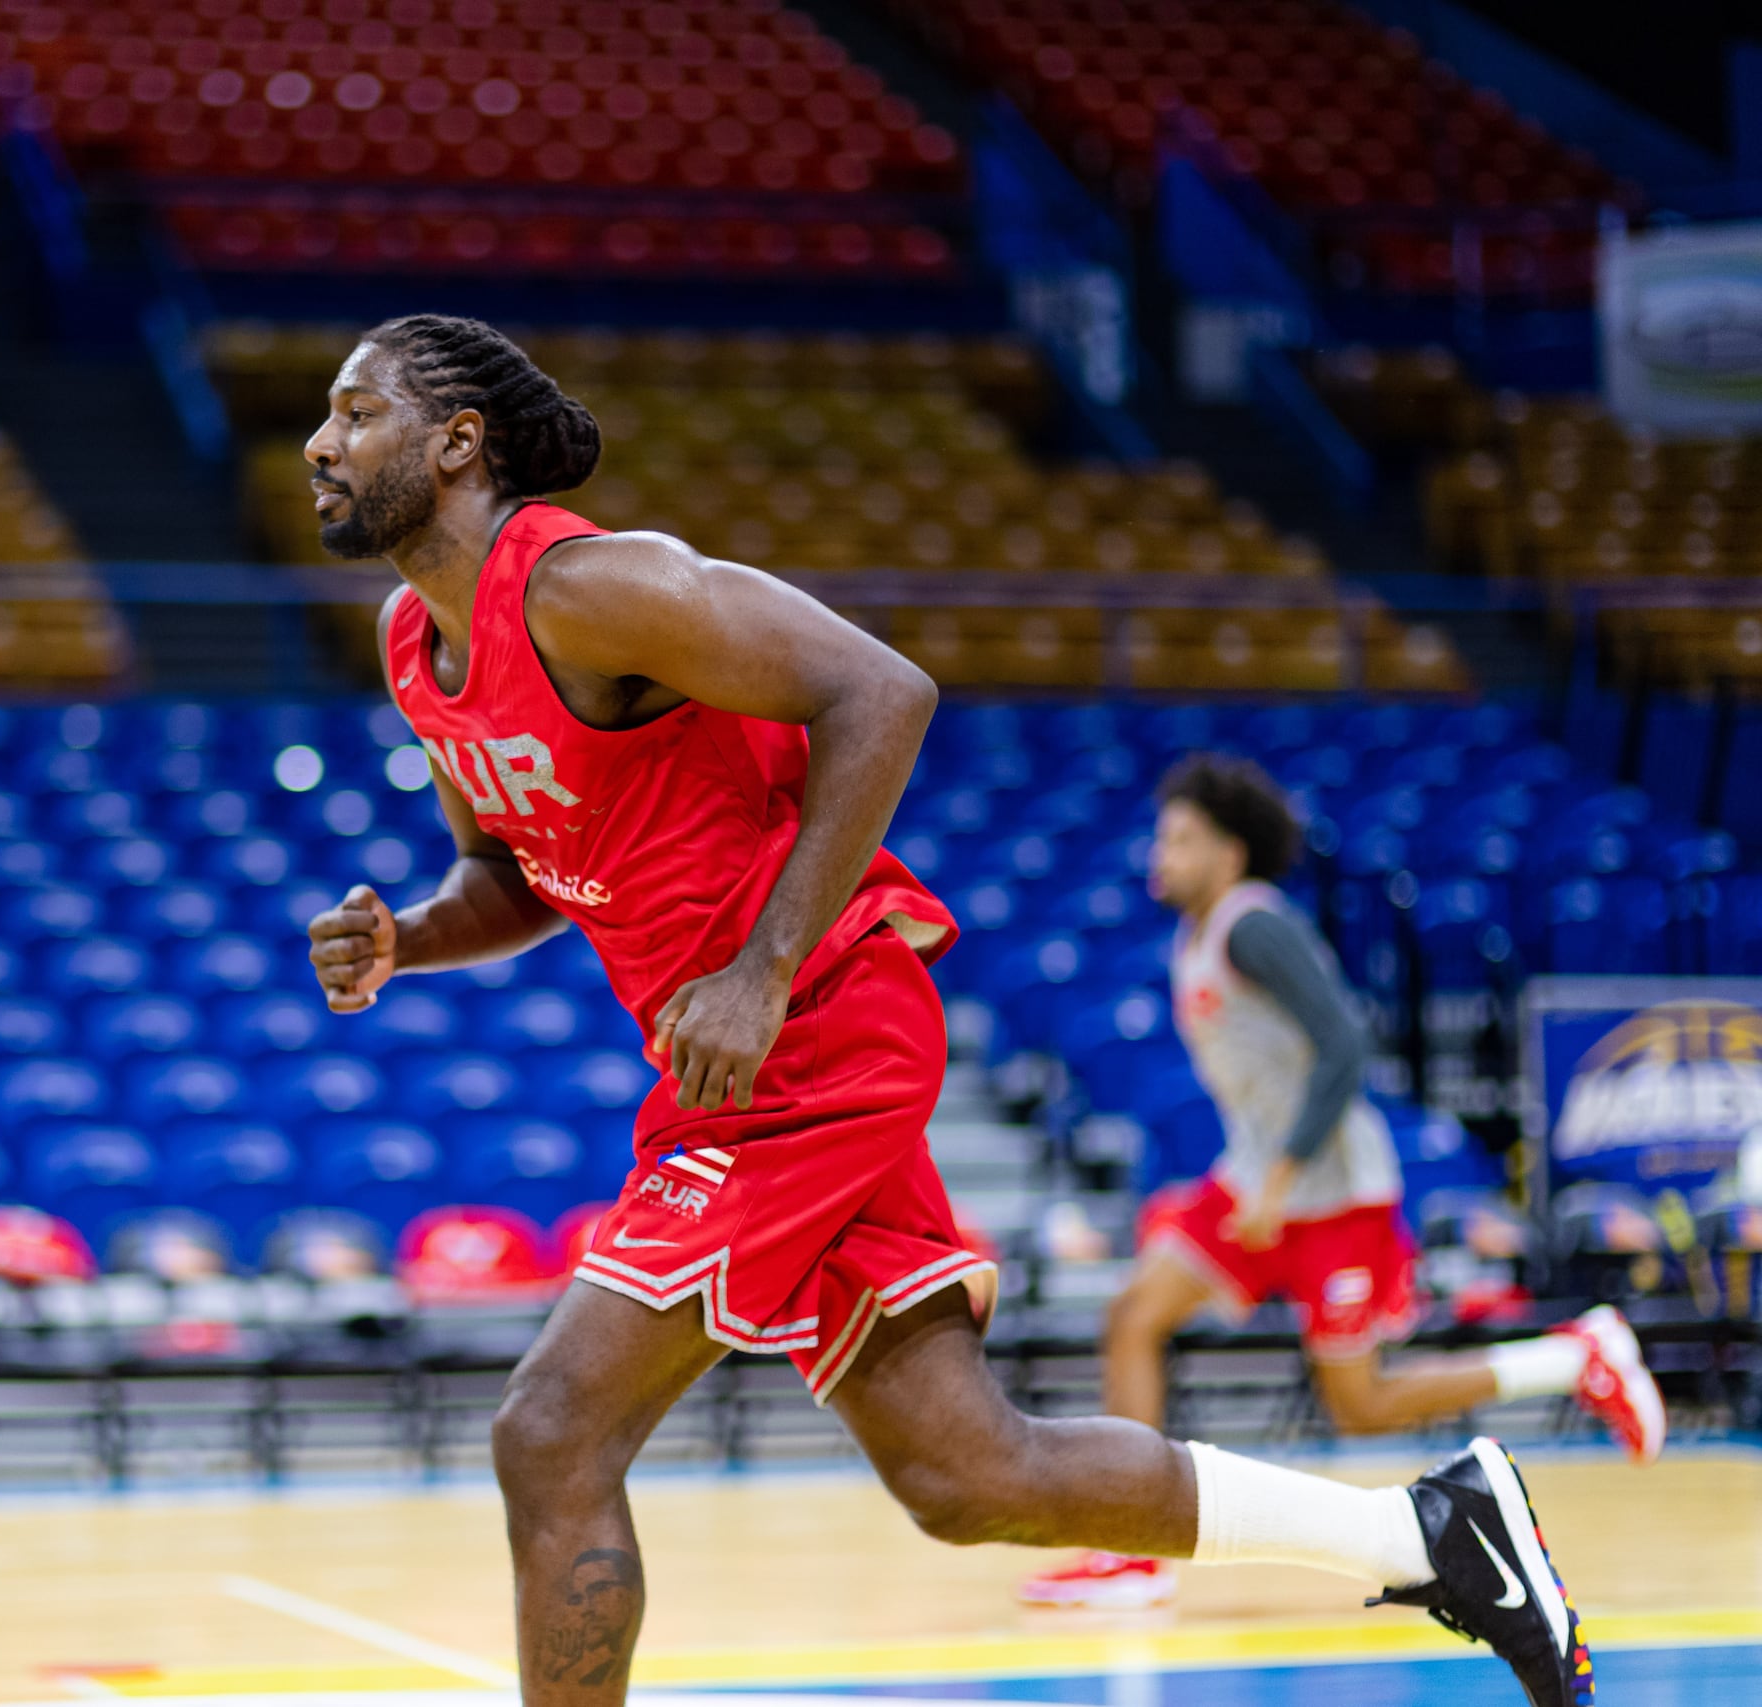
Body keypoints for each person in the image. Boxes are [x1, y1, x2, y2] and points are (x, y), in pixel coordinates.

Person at [299, 316, 1596, 1707]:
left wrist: (767, 966)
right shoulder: (411, 644)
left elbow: (881, 689)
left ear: (457, 443)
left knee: (550, 1429)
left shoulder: (588, 584)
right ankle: (1436, 1530)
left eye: (355, 412)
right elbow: (518, 868)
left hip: (819, 1030)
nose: (320, 441)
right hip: (749, 1063)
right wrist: (411, 936)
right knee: (968, 1474)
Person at [1022, 754, 1665, 1609]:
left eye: (1180, 838)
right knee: (1133, 1316)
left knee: (1359, 1404)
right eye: (1161, 836)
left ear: (1230, 851)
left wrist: (1283, 1177)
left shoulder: (1255, 925)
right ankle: (1134, 1550)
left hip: (1330, 1193)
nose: (1160, 853)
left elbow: (1345, 1042)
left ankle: (1574, 1354)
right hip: (1256, 1179)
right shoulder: (1200, 932)